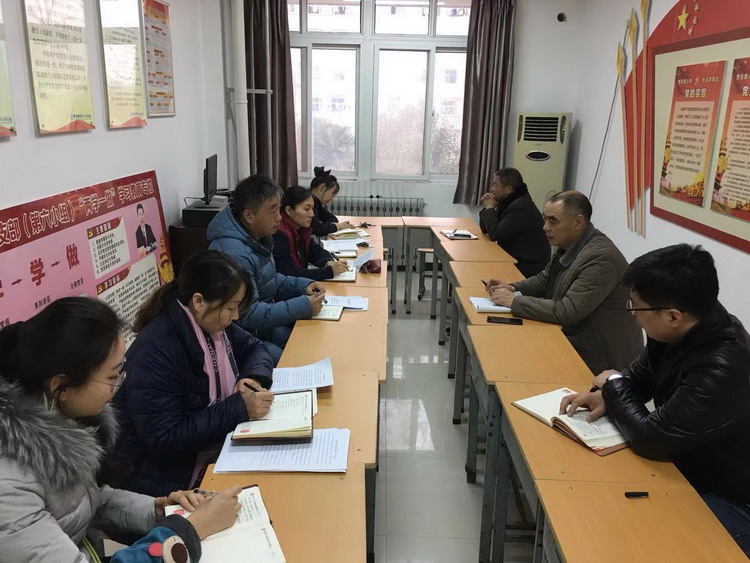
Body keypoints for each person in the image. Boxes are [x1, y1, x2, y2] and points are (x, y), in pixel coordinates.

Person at [0, 296, 241, 562]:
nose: (118, 386)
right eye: (112, 376)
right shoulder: (10, 486)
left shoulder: (58, 418)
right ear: (61, 386)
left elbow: (87, 501)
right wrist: (189, 531)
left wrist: (160, 510)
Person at [560, 244, 750, 556]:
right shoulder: (684, 327)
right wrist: (608, 394)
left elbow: (650, 438)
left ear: (673, 316)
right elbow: (639, 378)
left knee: (630, 539)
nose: (633, 317)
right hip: (687, 466)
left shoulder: (722, 364)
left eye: (636, 309)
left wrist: (614, 385)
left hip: (729, 498)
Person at [110, 250, 274, 498]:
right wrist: (239, 407)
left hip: (209, 447)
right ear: (198, 301)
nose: (235, 316)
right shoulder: (156, 350)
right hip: (162, 479)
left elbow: (255, 348)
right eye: (231, 307)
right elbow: (166, 438)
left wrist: (251, 378)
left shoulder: (212, 324)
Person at [486, 190, 643, 374]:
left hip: (602, 362)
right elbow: (545, 279)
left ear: (578, 222)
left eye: (553, 221)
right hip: (578, 343)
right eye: (545, 219)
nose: (545, 227)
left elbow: (568, 311)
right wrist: (512, 287)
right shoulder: (568, 243)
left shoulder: (601, 259)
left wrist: (515, 301)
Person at [207, 174, 326, 363]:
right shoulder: (235, 253)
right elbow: (248, 313)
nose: (279, 218)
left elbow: (270, 279)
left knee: (308, 346)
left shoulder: (257, 237)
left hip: (262, 327)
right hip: (241, 336)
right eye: (273, 211)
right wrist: (304, 306)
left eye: (279, 209)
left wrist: (303, 285)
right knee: (292, 363)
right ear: (249, 215)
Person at [478, 168, 550, 277]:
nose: (492, 189)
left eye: (495, 185)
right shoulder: (507, 201)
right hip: (515, 258)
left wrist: (489, 208)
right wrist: (488, 207)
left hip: (528, 266)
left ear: (508, 189)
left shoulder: (521, 207)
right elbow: (486, 229)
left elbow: (495, 234)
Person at [273, 186, 350, 281]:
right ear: (289, 210)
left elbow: (314, 250)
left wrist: (328, 262)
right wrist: (329, 272)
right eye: (306, 209)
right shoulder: (279, 234)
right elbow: (289, 273)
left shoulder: (300, 228)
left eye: (312, 209)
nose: (312, 214)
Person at [309, 166, 354, 237]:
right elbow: (319, 230)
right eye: (332, 194)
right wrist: (338, 226)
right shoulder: (307, 204)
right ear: (322, 187)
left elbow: (333, 219)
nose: (331, 198)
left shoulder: (316, 204)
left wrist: (326, 227)